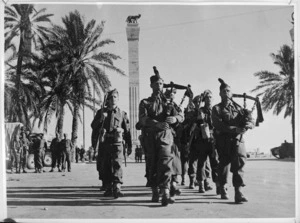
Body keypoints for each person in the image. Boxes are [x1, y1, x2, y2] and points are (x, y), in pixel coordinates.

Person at [138, 66, 181, 206]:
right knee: (152, 164)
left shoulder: (169, 102)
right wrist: (156, 124)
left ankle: (166, 191)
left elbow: (181, 115)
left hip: (165, 137)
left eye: (161, 83)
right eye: (156, 83)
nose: (159, 86)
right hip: (150, 137)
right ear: (151, 85)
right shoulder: (145, 102)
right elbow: (143, 119)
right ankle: (155, 189)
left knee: (165, 162)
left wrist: (175, 119)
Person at [212, 78, 254, 203]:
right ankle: (223, 186)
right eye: (224, 91)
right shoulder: (217, 109)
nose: (226, 93)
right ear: (220, 93)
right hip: (223, 140)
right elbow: (218, 125)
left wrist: (249, 123)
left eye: (228, 91)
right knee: (224, 164)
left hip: (238, 140)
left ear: (231, 93)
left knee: (239, 164)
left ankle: (238, 192)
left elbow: (251, 120)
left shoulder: (239, 108)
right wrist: (235, 129)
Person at [91, 88, 132, 198]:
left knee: (117, 164)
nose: (113, 99)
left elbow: (127, 131)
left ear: (118, 99)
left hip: (117, 143)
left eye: (115, 97)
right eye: (111, 97)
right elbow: (93, 126)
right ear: (107, 100)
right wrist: (100, 119)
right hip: (105, 143)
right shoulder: (101, 113)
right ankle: (108, 187)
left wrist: (129, 145)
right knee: (106, 165)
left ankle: (117, 186)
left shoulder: (122, 114)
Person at [193, 90, 219, 194]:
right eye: (207, 98)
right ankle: (201, 185)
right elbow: (197, 123)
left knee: (215, 163)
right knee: (201, 164)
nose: (209, 99)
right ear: (204, 99)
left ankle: (218, 186)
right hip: (202, 140)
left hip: (213, 140)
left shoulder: (216, 110)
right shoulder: (201, 110)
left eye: (211, 97)